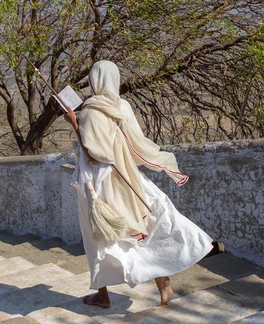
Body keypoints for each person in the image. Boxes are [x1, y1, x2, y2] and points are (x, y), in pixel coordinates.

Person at [65, 60, 213, 308]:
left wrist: (74, 124)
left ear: (94, 80)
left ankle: (103, 296)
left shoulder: (90, 111)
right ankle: (164, 286)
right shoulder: (122, 105)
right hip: (129, 177)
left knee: (99, 237)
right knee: (147, 230)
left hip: (99, 183)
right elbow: (133, 144)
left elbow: (94, 155)